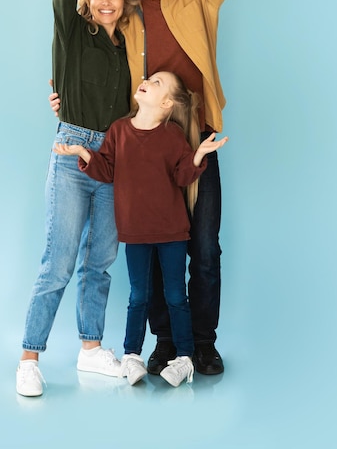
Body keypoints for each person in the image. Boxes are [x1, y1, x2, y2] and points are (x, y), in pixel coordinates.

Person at [50, 0, 242, 377]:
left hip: (195, 138)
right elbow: (88, 62)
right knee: (156, 248)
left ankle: (202, 343)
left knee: (204, 246)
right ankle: (165, 344)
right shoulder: (125, 10)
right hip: (141, 146)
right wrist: (66, 98)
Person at [16, 0, 140, 397]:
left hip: (115, 159)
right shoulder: (72, 34)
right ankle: (29, 357)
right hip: (71, 152)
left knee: (101, 259)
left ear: (125, 1)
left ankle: (91, 350)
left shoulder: (130, 49)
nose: (107, 1)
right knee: (59, 260)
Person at [55, 71, 228, 387]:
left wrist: (200, 154)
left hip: (173, 233)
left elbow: (182, 175)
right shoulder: (119, 130)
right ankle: (132, 355)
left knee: (176, 296)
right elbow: (106, 169)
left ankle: (185, 359)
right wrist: (82, 152)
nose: (146, 80)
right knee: (138, 297)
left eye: (157, 82)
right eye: (149, 77)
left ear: (166, 103)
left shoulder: (172, 135)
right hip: (136, 233)